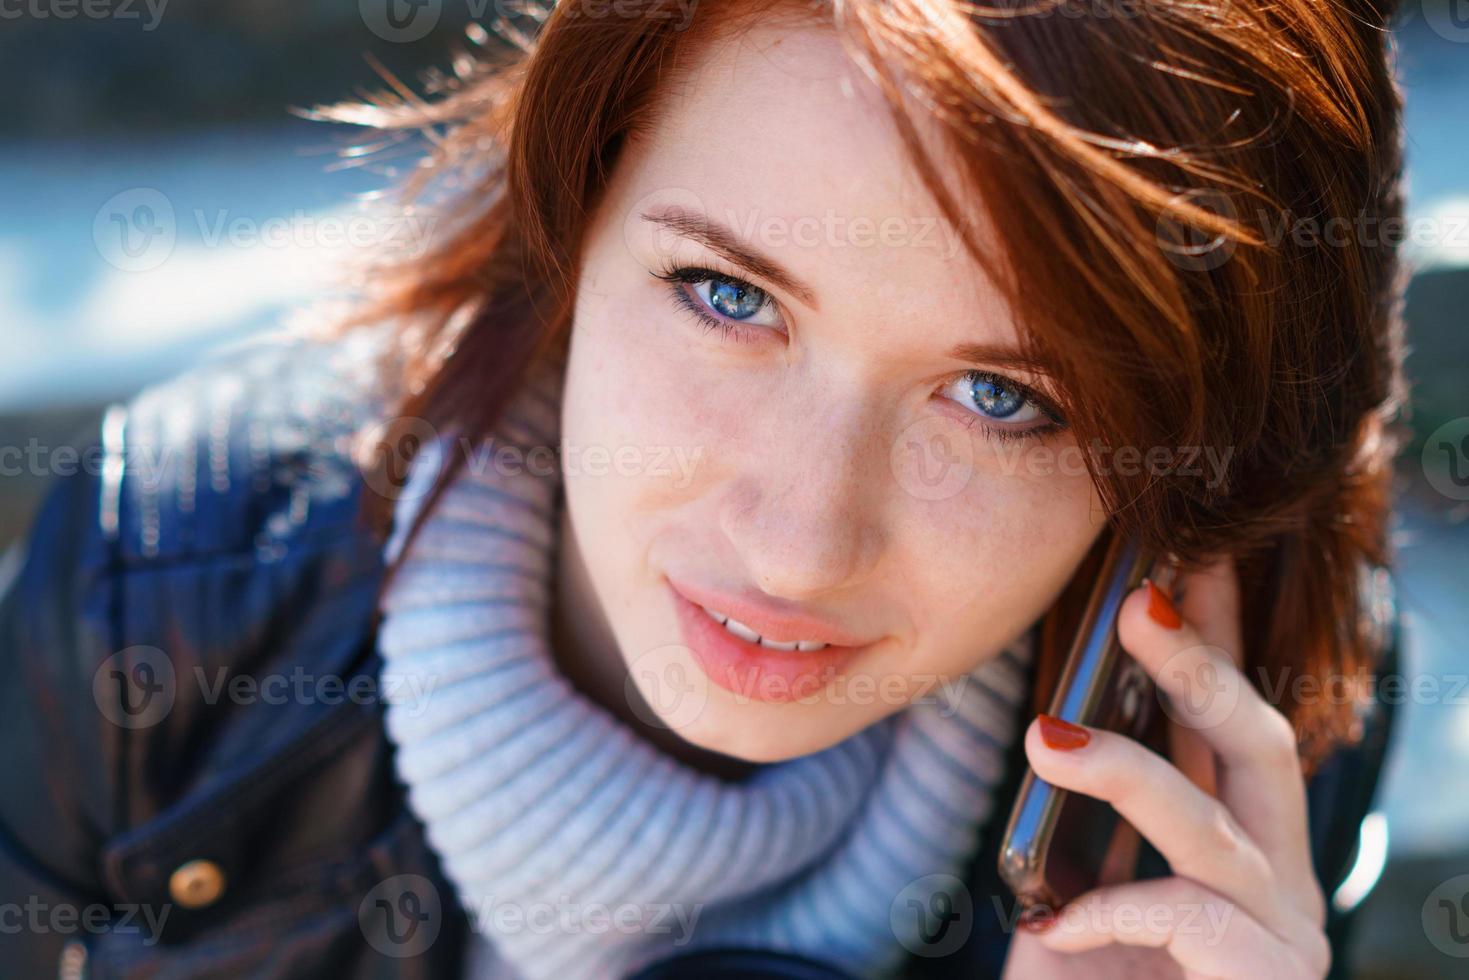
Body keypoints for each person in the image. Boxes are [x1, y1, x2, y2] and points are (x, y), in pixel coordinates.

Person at [0, 0, 1408, 976]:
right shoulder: (167, 589)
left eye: (1004, 399)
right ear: (578, 203)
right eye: (726, 295)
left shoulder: (1231, 763)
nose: (799, 548)